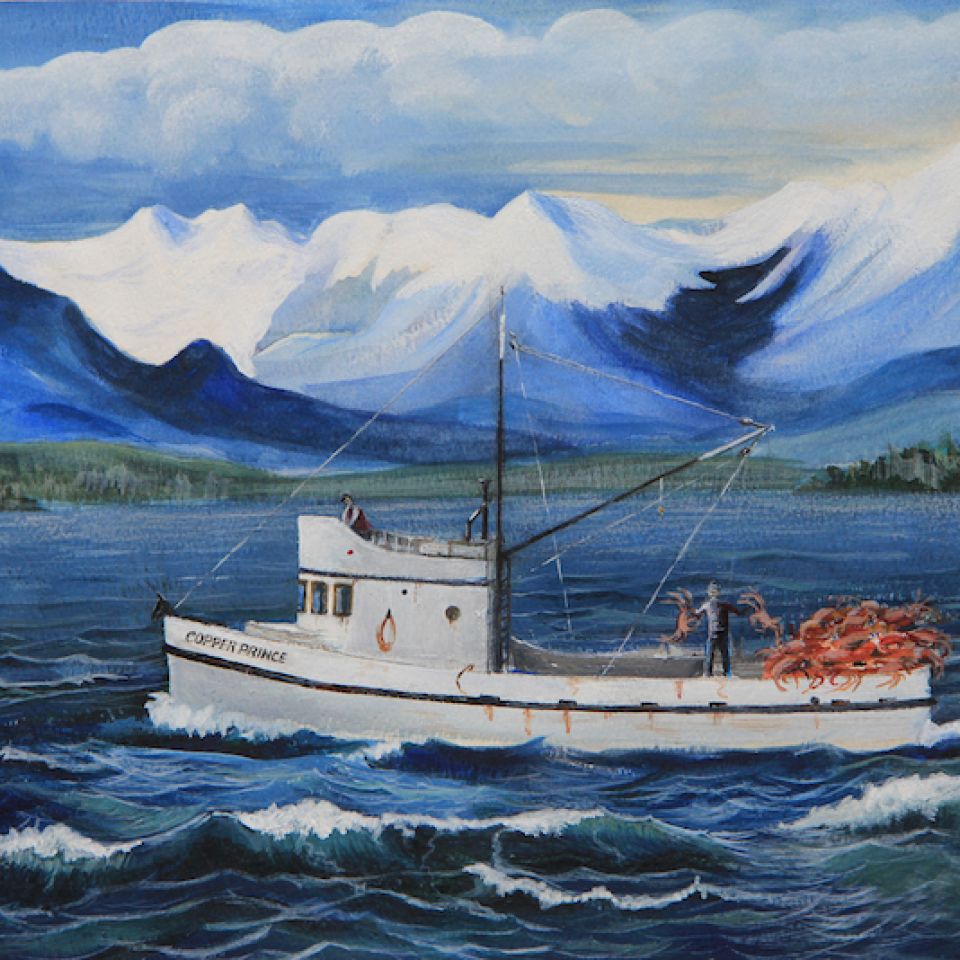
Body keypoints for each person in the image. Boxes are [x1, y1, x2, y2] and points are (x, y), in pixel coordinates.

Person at [696, 581, 744, 677]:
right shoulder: (725, 604)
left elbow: (697, 613)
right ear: (719, 592)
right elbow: (737, 612)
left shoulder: (706, 605)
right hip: (722, 633)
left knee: (710, 654)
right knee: (724, 654)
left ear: (709, 593)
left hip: (713, 633)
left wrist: (693, 610)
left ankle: (708, 673)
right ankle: (727, 672)